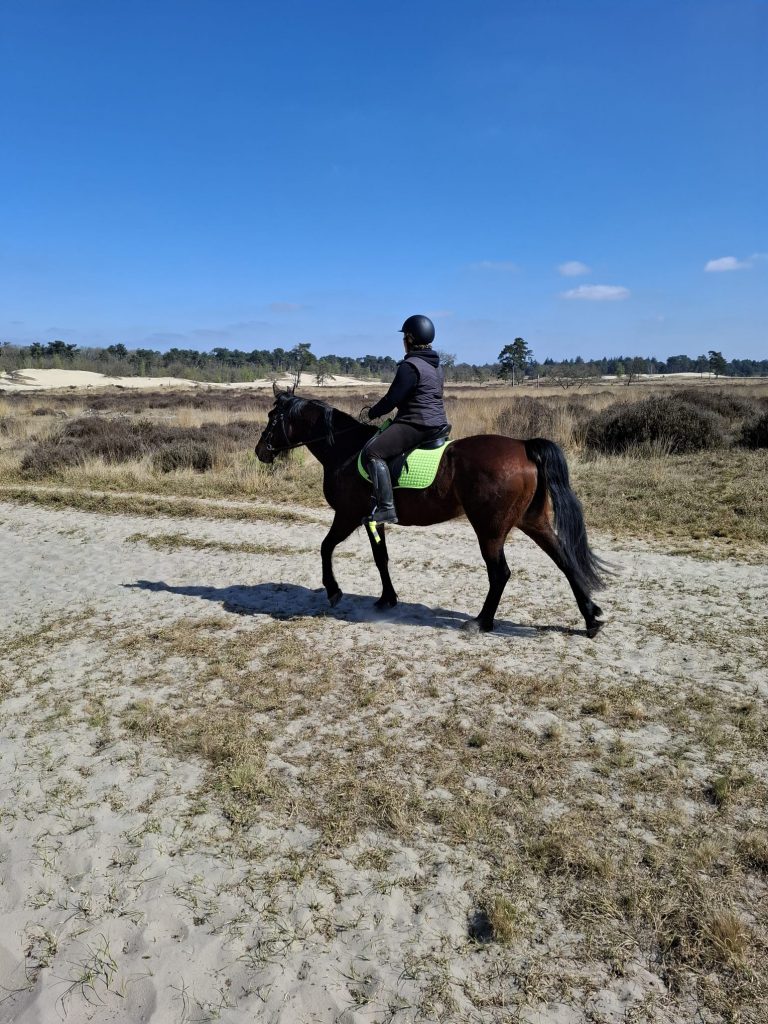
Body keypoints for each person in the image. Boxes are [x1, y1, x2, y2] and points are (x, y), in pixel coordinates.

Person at [362, 314, 449, 524]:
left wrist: (372, 413)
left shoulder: (410, 366)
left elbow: (392, 399)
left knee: (372, 452)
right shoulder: (436, 366)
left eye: (404, 338)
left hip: (416, 424)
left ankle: (386, 508)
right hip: (439, 423)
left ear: (409, 338)